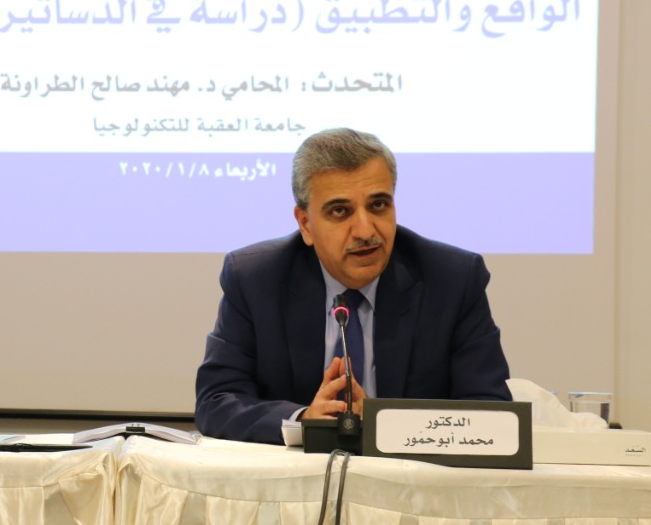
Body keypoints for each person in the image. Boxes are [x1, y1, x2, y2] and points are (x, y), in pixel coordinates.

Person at [194, 127, 511, 444]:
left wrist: (380, 421)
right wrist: (304, 420)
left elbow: (492, 413)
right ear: (306, 224)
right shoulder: (256, 278)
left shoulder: (452, 279)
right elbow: (217, 401)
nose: (364, 230)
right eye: (340, 211)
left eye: (378, 205)